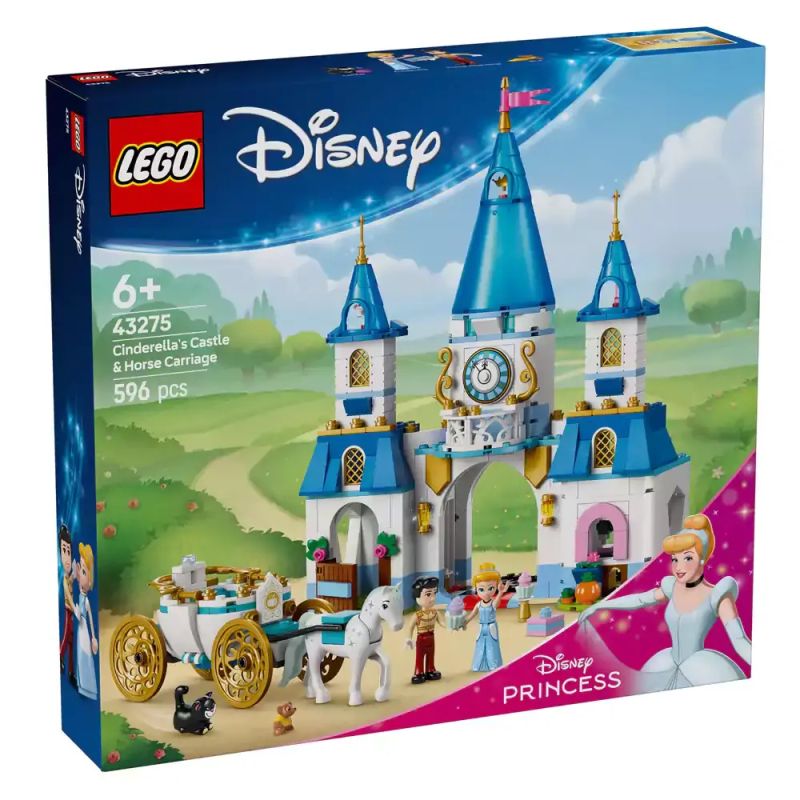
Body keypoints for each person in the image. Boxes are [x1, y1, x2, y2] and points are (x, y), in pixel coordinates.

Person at [579, 514, 751, 690]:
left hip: (701, 671)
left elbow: (740, 640)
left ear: (702, 558)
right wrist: (600, 605)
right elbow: (639, 599)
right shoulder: (672, 587)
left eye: (688, 558)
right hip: (666, 664)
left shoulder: (717, 595)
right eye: (675, 559)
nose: (678, 567)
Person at [463, 563, 512, 672]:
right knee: (480, 645)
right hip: (481, 628)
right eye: (481, 589)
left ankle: (493, 665)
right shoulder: (478, 604)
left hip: (491, 627)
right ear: (476, 589)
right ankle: (479, 665)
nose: (486, 593)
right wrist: (465, 622)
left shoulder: (492, 603)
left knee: (491, 645)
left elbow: (496, 604)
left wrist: (500, 593)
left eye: (490, 588)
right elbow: (472, 615)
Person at [405, 576, 444, 683]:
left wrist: (451, 625)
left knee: (431, 655)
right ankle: (419, 672)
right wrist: (408, 639)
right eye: (428, 594)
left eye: (434, 593)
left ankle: (430, 669)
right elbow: (410, 627)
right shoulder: (417, 615)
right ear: (417, 597)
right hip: (421, 638)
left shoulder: (435, 613)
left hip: (431, 637)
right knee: (420, 656)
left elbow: (442, 623)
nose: (432, 598)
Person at [74, 543, 99, 700]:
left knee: (85, 656)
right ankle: (81, 684)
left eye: (84, 572)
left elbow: (89, 619)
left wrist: (93, 637)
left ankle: (88, 686)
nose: (81, 574)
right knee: (80, 655)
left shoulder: (86, 601)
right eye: (81, 570)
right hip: (80, 631)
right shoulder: (81, 595)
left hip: (84, 633)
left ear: (90, 582)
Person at [58, 525, 77, 686]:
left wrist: (75, 576)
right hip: (68, 610)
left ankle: (71, 671)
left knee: (71, 640)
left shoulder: (68, 577)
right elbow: (68, 594)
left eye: (69, 552)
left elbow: (70, 582)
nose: (67, 557)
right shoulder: (64, 579)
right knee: (66, 635)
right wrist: (74, 607)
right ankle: (59, 656)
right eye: (64, 551)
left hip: (71, 611)